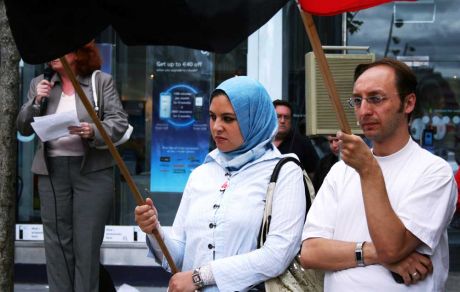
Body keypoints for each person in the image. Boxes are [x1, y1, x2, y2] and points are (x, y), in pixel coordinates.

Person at [135, 76, 306, 291]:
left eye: (228, 119)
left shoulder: (284, 171)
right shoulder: (201, 173)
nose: (217, 127)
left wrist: (200, 276)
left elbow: (277, 254)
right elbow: (178, 256)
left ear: (254, 119)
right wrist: (154, 230)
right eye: (212, 117)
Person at [300, 58, 457, 291]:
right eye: (357, 100)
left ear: (408, 103)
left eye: (376, 98)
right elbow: (311, 253)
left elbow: (392, 247)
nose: (364, 110)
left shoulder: (433, 172)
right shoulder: (341, 170)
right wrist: (372, 253)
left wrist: (369, 169)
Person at [17, 41, 129, 292]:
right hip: (52, 173)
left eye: (62, 50)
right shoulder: (40, 83)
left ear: (79, 54)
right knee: (56, 245)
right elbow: (23, 126)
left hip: (92, 172)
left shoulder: (101, 82)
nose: (53, 56)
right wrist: (36, 101)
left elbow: (118, 122)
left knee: (86, 245)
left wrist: (93, 131)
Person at [272, 99, 319, 178]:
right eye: (278, 116)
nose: (282, 121)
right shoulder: (261, 142)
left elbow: (314, 175)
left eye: (286, 117)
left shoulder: (303, 144)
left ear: (291, 120)